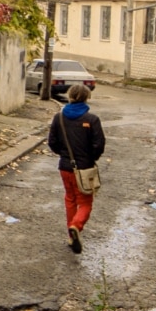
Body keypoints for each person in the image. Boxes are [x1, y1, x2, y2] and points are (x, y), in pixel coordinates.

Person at [47, 84, 106, 254]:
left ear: (70, 96)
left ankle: (71, 234)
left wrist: (64, 156)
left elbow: (53, 142)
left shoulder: (59, 118)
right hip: (85, 168)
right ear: (87, 97)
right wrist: (90, 159)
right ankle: (76, 226)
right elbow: (99, 145)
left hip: (65, 167)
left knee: (70, 199)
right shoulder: (92, 119)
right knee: (85, 202)